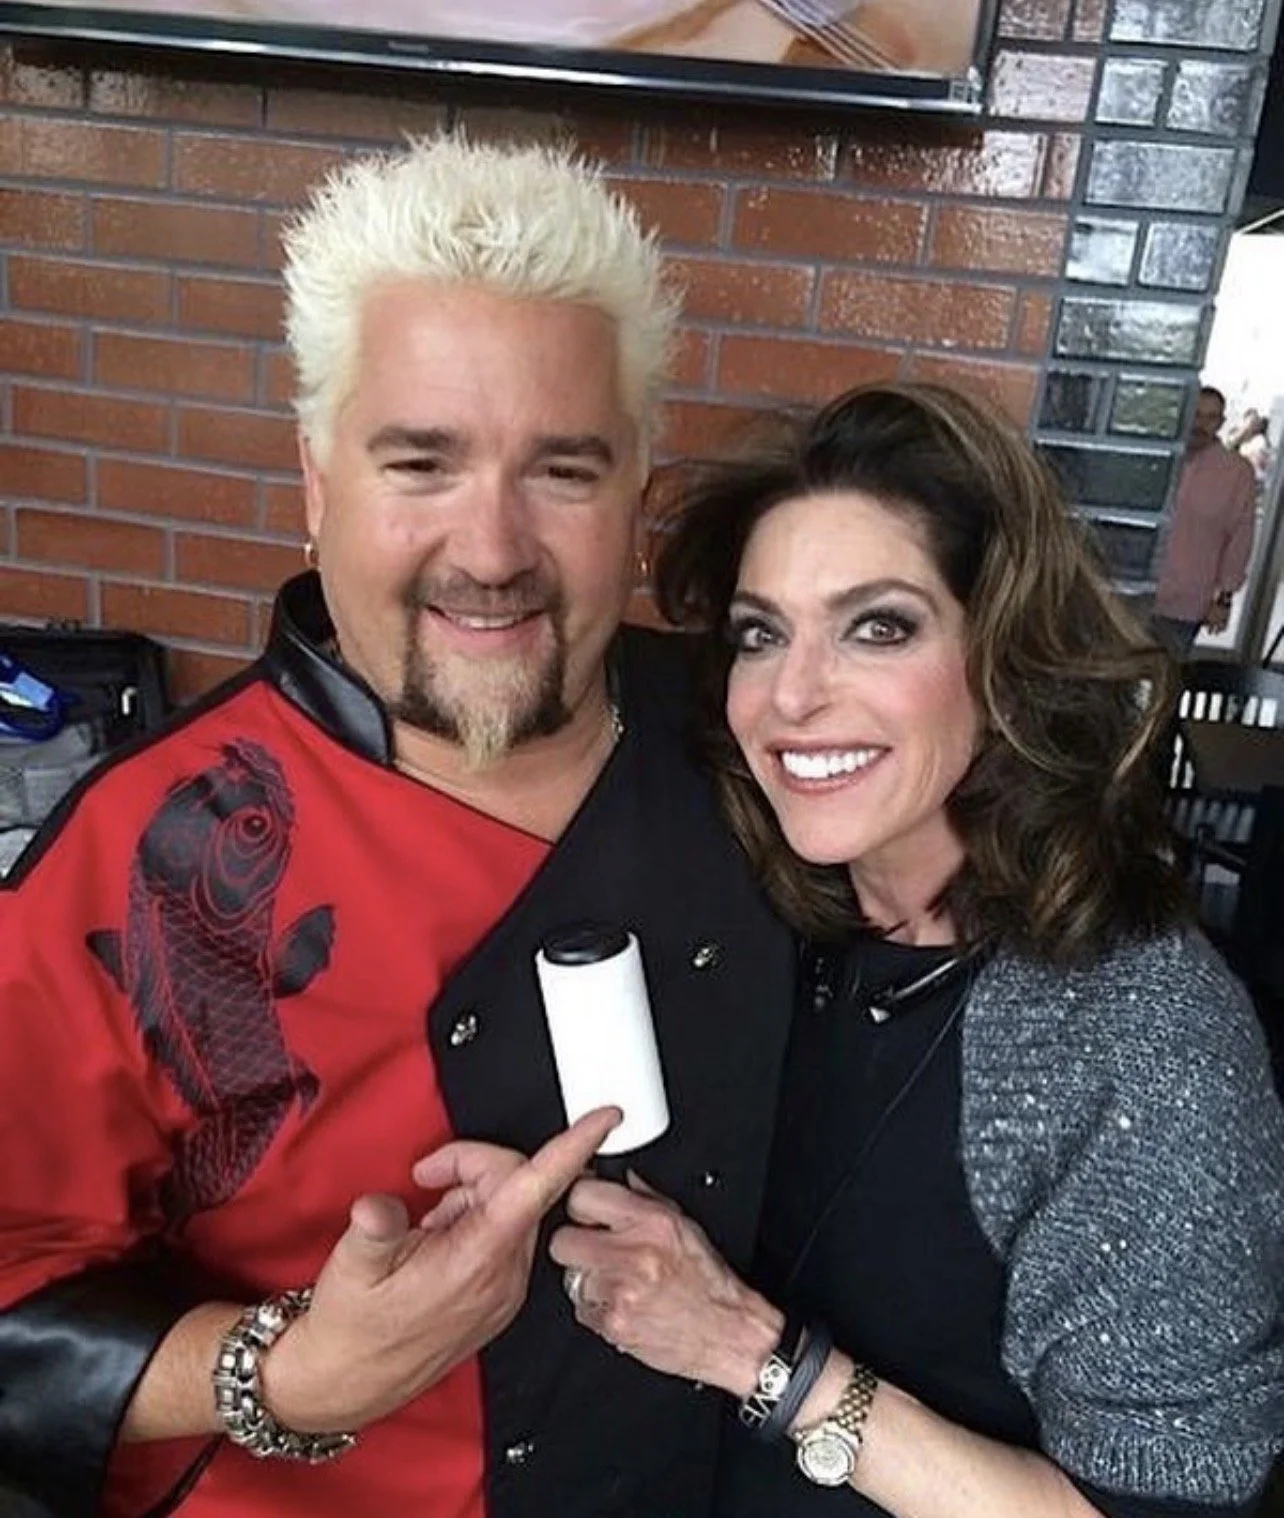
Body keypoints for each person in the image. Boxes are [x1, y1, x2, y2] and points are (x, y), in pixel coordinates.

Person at [0, 137, 796, 1518]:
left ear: (635, 490)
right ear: (317, 485)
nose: (491, 551)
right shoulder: (154, 850)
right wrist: (285, 1371)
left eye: (562, 470)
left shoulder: (759, 748)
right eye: (420, 461)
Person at [541, 383, 1284, 1516]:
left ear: (1004, 656)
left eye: (877, 626)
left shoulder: (1138, 1039)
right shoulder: (774, 921)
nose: (793, 694)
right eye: (760, 633)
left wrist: (761, 1360)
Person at [1152, 384, 1257, 657]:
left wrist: (1223, 600)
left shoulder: (1236, 473)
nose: (1201, 424)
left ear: (1222, 422)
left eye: (1211, 418)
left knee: (1164, 683)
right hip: (1131, 590)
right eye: (1196, 414)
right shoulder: (1156, 456)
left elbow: (1240, 542)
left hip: (1185, 603)